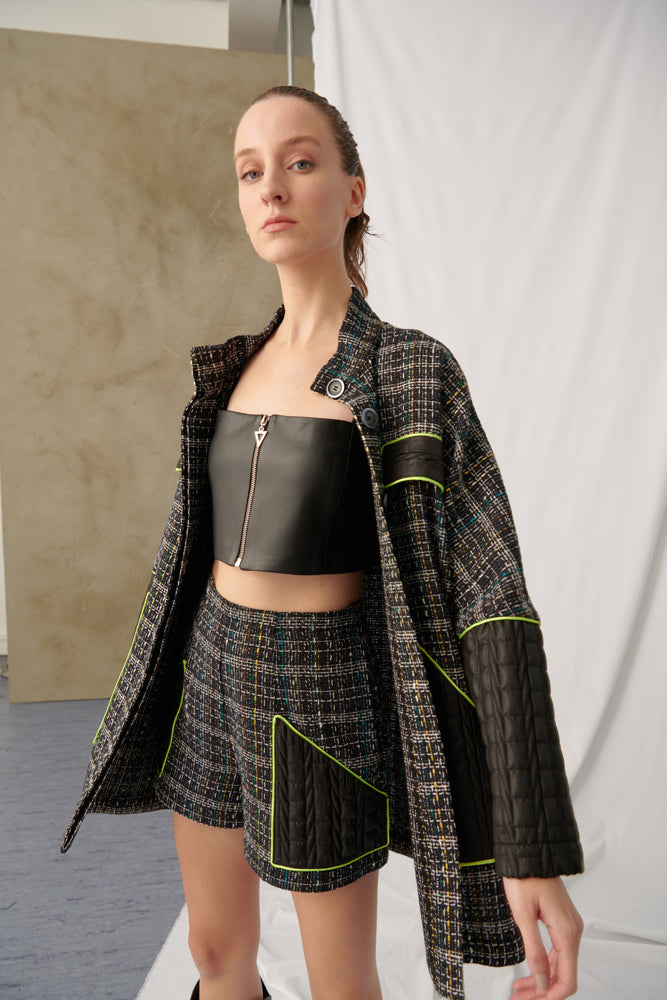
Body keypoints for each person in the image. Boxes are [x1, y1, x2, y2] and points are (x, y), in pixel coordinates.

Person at [62, 87, 584, 1000]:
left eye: (299, 162)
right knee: (214, 955)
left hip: (320, 694)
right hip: (208, 671)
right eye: (249, 171)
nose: (270, 187)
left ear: (352, 191)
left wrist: (531, 844)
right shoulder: (229, 369)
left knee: (339, 983)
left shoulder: (409, 370)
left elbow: (493, 595)